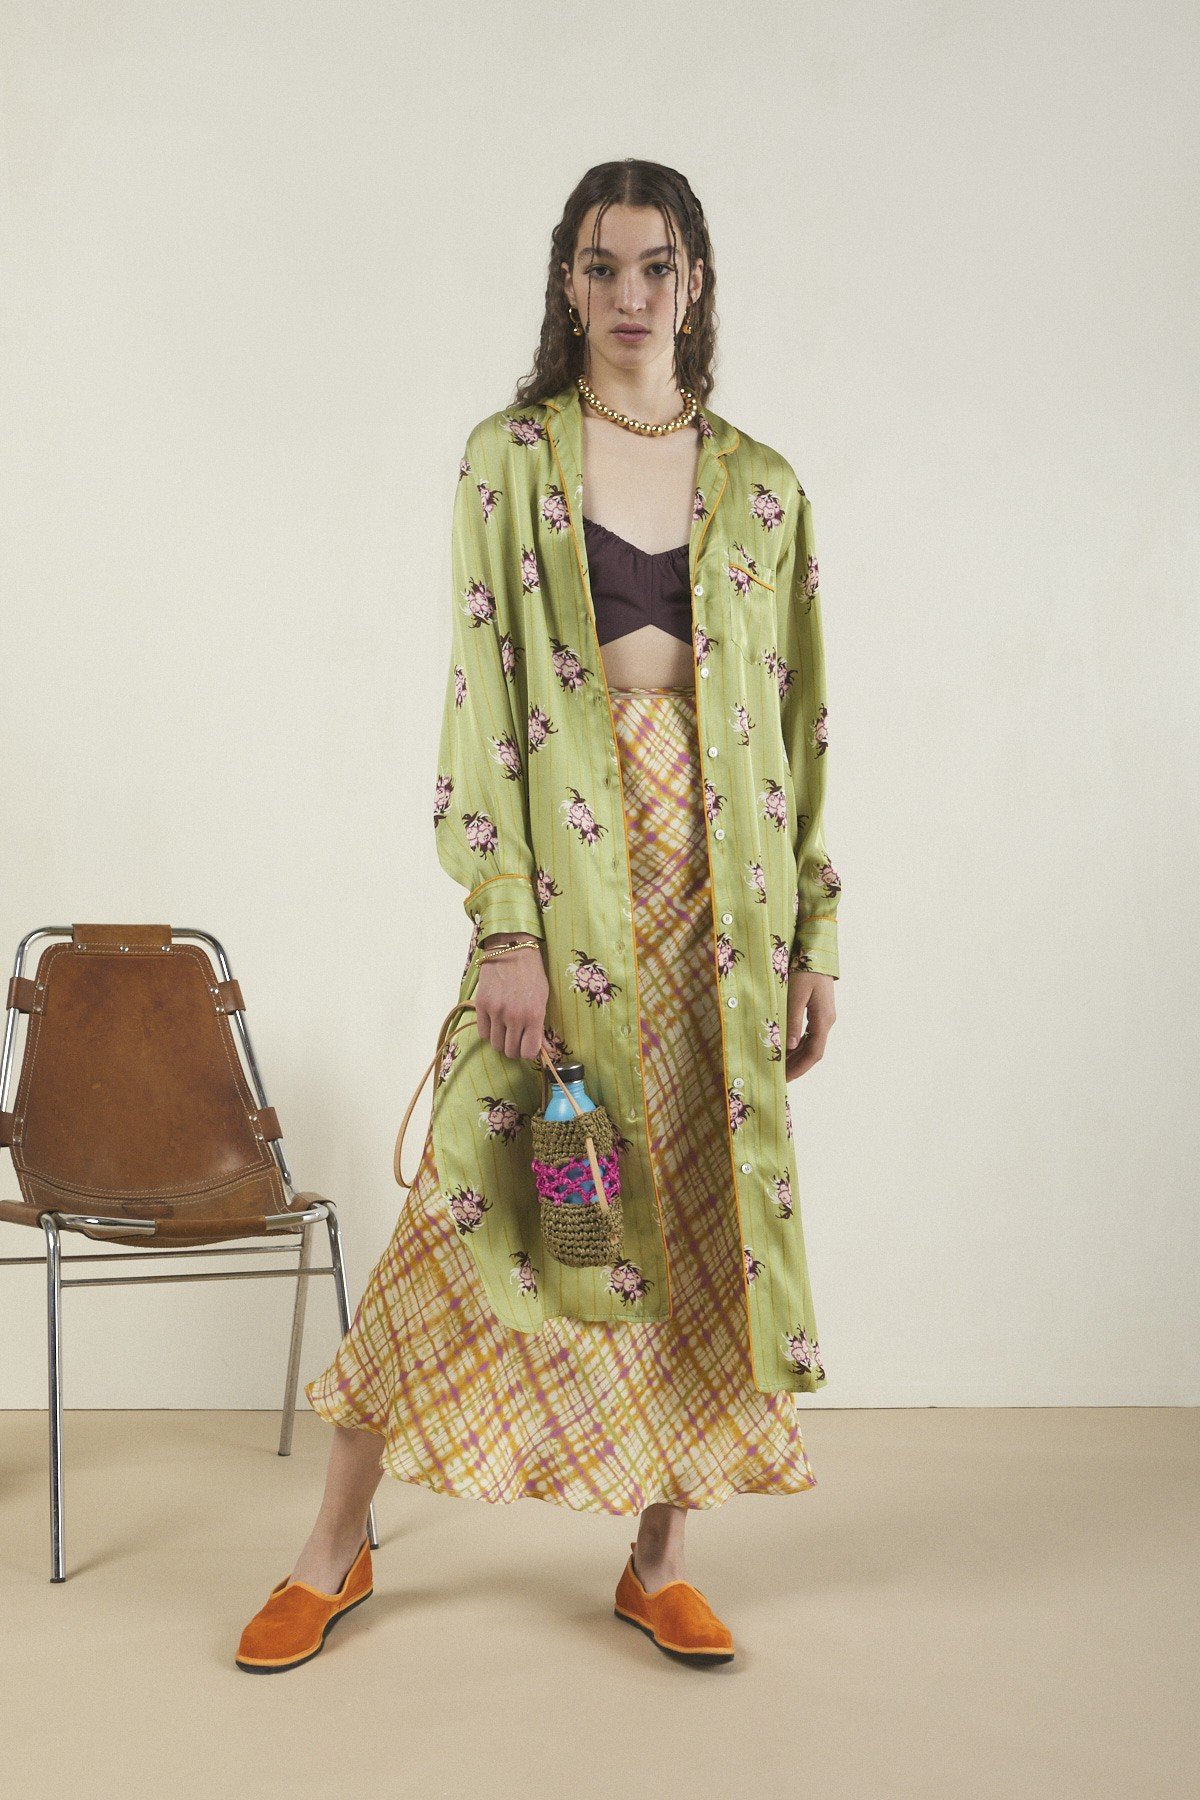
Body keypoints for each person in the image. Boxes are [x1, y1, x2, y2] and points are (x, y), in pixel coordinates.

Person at [236, 158, 841, 1674]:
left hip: (723, 914)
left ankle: (660, 1560)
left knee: (697, 1223)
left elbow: (801, 728)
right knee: (476, 1199)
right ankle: (332, 1548)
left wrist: (813, 939)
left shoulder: (765, 485)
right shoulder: (508, 460)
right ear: (566, 282)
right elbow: (482, 690)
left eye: (657, 266)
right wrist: (505, 923)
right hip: (569, 897)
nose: (631, 295)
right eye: (602, 266)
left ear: (695, 282)